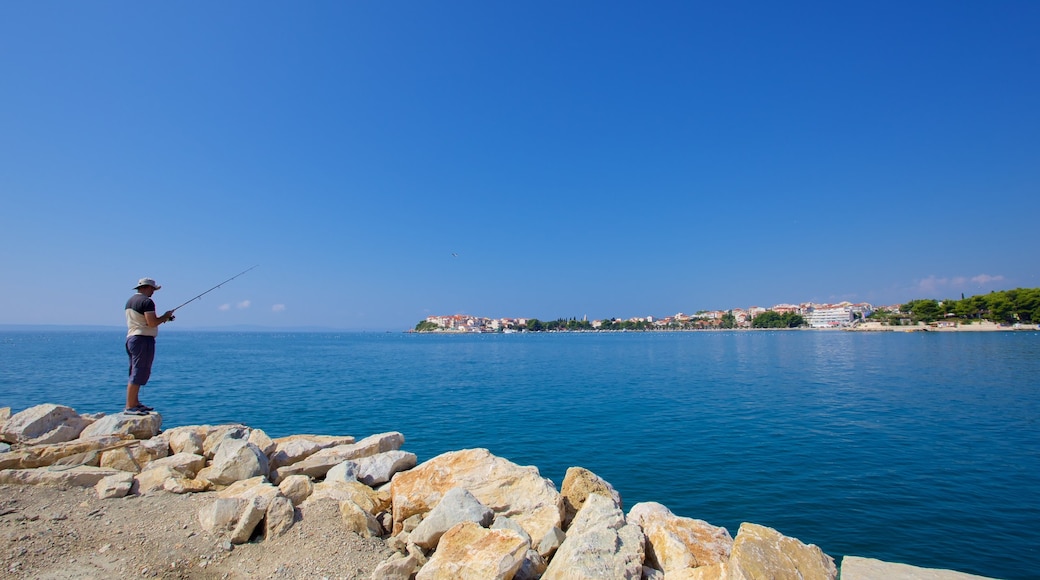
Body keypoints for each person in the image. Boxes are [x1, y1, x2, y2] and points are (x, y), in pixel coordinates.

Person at [125, 277, 175, 415]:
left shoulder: (130, 301)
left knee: (135, 370)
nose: (153, 292)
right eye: (152, 289)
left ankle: (135, 403)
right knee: (139, 371)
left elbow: (144, 321)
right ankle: (130, 406)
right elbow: (152, 323)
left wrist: (164, 319)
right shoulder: (147, 302)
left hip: (132, 338)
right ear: (147, 288)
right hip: (142, 339)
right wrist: (165, 316)